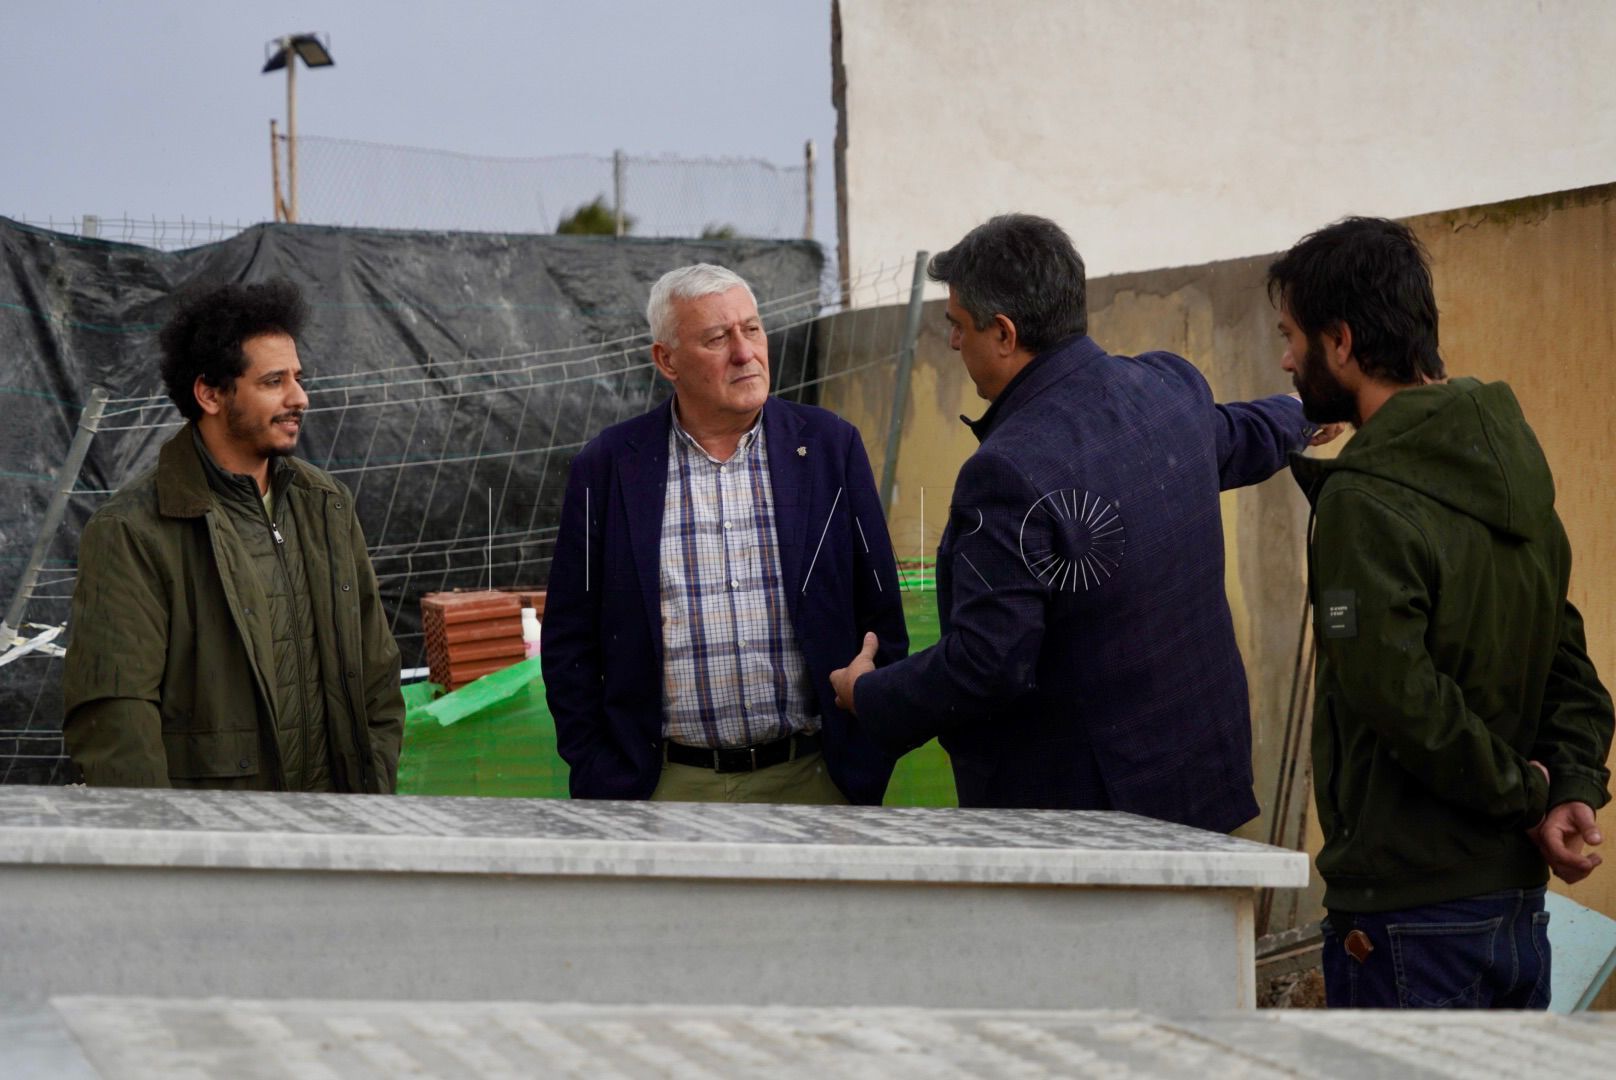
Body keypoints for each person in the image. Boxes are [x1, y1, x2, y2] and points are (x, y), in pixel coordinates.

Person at [830, 214, 1333, 831]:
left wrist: (868, 694)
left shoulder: (1007, 471)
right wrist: (1305, 412)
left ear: (1005, 333)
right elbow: (1239, 434)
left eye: (958, 324)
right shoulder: (1167, 389)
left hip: (1089, 828)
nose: (954, 342)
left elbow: (987, 664)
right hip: (1203, 785)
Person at [1268, 216, 1613, 1009]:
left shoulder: (1363, 499)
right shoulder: (1515, 476)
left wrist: (1533, 796)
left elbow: (1397, 695)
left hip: (1408, 922)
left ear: (1342, 342)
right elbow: (1569, 669)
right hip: (1516, 912)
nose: (1285, 360)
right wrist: (1569, 785)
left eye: (1291, 337)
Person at [543, 264, 907, 804]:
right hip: (665, 789)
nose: (744, 352)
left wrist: (868, 751)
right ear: (667, 360)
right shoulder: (610, 467)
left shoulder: (830, 448)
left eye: (752, 329)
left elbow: (882, 614)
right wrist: (600, 769)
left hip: (816, 780)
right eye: (717, 338)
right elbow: (569, 639)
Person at [62, 280, 404, 792]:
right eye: (273, 381)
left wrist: (370, 796)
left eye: (298, 378)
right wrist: (167, 840)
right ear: (210, 394)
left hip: (337, 828)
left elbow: (377, 674)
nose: (299, 397)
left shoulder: (326, 505)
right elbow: (117, 721)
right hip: (217, 835)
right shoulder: (133, 530)